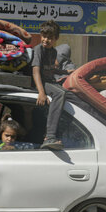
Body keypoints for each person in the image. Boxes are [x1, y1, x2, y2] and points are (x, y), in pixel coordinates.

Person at [31, 20, 66, 150]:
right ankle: (50, 136)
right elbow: (36, 71)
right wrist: (41, 92)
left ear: (56, 39)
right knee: (60, 93)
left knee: (69, 94)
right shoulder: (38, 49)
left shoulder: (54, 52)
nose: (46, 40)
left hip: (49, 82)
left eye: (50, 38)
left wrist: (64, 72)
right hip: (39, 83)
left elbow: (50, 69)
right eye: (44, 36)